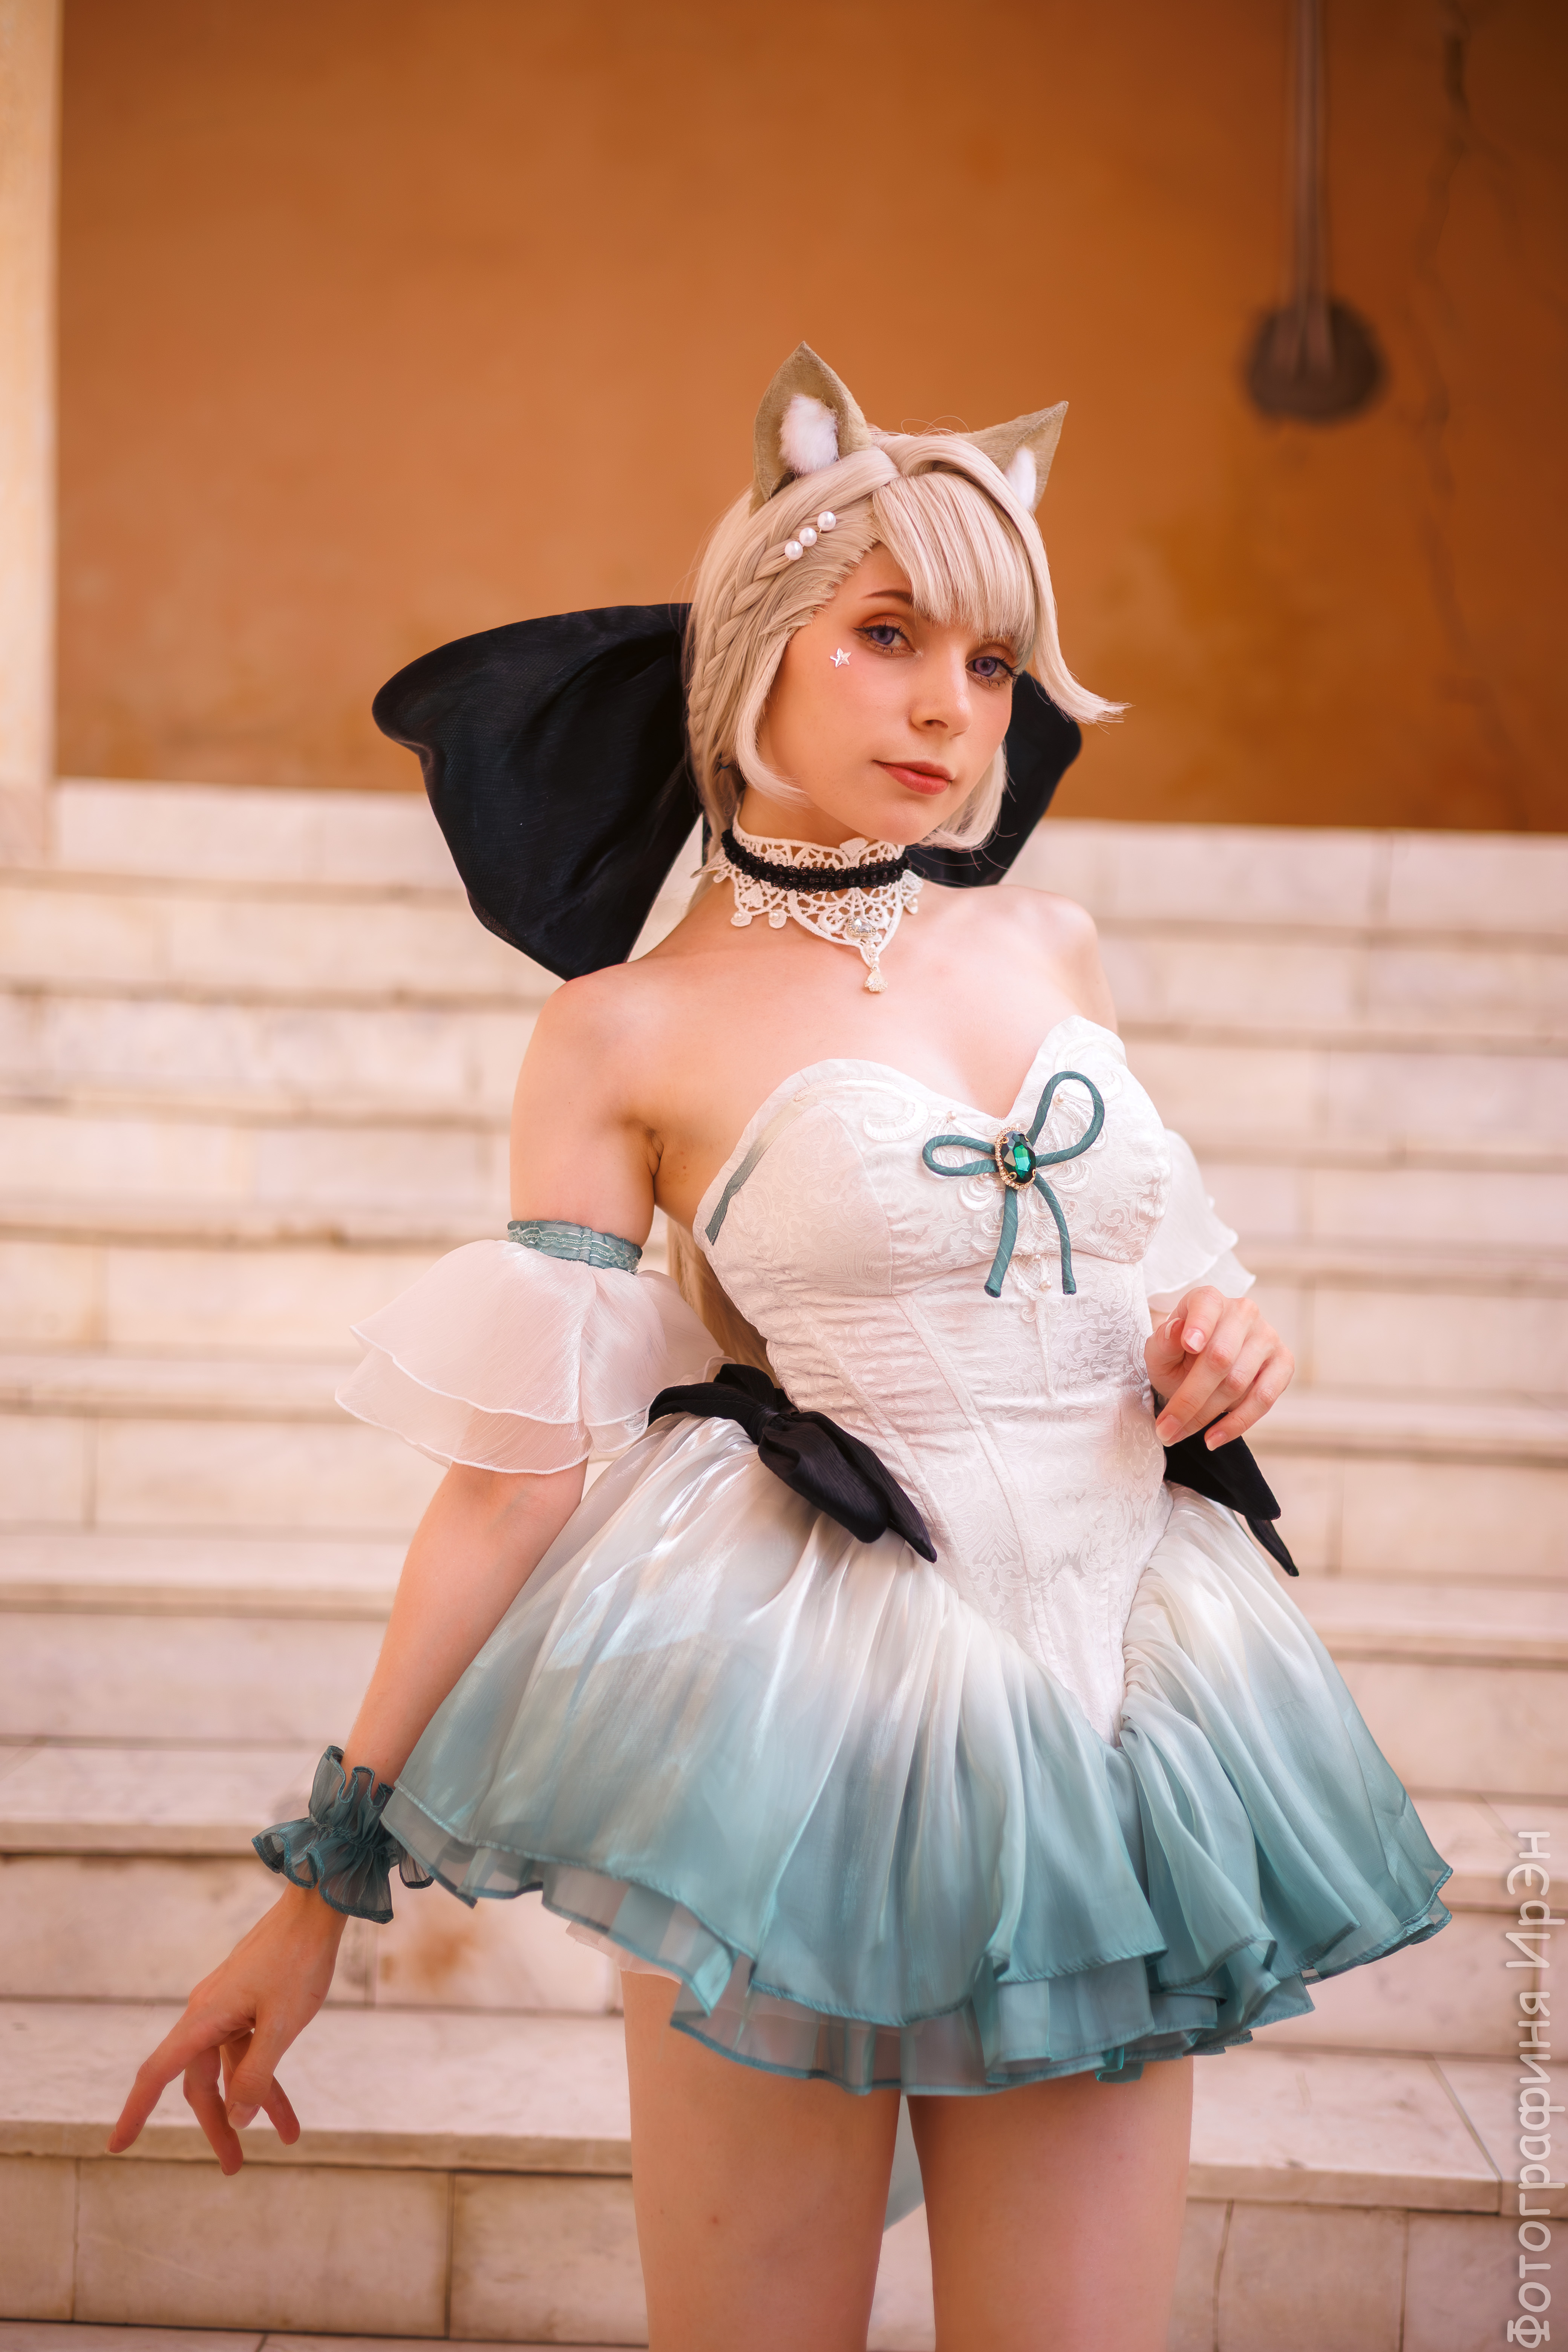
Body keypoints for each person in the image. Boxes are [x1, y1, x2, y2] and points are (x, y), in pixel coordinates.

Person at [109, 345, 1450, 2352]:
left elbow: (1170, 1272)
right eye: (886, 635)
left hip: (1120, 1710)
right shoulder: (622, 1029)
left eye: (990, 660)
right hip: (799, 1737)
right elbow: (510, 1482)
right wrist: (321, 1875)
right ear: (752, 647)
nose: (949, 707)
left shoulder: (1052, 945)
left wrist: (1228, 1336)